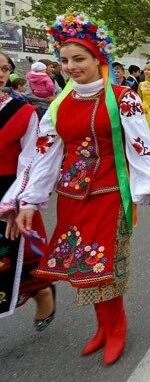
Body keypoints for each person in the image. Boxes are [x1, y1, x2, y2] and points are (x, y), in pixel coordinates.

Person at [2, 13, 150, 364]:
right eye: (65, 60)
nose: (71, 66)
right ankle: (103, 327)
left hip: (110, 195)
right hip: (72, 198)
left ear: (97, 59)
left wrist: (149, 187)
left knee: (104, 265)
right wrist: (28, 199)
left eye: (79, 59)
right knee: (83, 267)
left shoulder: (122, 98)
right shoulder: (59, 106)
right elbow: (44, 155)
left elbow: (140, 145)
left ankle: (117, 326)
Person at [0, 50, 55, 328]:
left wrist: (17, 202)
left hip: (9, 191)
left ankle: (41, 291)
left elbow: (32, 159)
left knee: (16, 260)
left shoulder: (23, 112)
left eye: (2, 68)